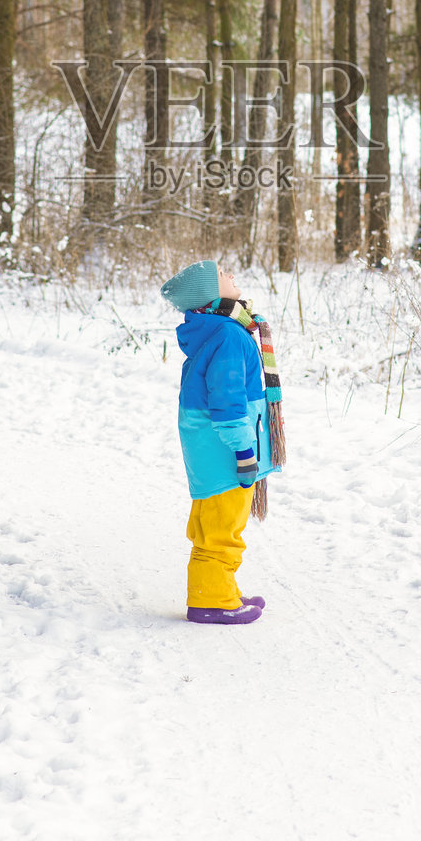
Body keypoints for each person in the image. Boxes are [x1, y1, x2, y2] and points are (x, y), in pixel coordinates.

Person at [160, 259, 285, 626]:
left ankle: (220, 589)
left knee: (211, 525)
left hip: (208, 453)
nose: (230, 274)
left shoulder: (214, 331)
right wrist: (245, 453)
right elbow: (228, 405)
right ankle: (212, 601)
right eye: (220, 275)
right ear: (210, 294)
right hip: (227, 454)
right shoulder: (229, 336)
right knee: (222, 529)